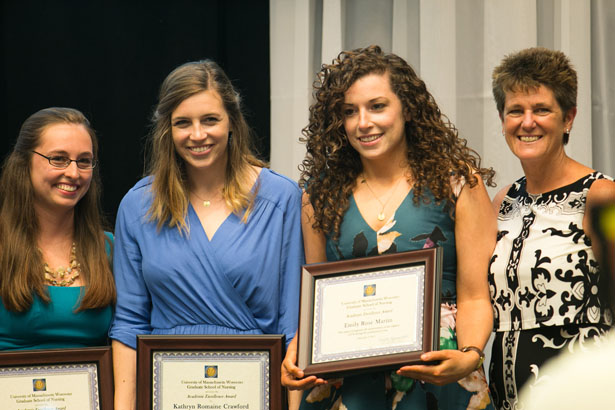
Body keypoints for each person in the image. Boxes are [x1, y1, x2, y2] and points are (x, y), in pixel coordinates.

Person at [282, 45, 497, 410]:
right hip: (347, 386)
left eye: (377, 106)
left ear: (408, 108)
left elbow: (476, 295)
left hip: (437, 376)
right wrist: (295, 355)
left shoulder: (458, 183)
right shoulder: (318, 195)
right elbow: (316, 301)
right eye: (350, 112)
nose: (363, 122)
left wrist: (471, 354)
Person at [109, 60, 304, 409]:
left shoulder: (281, 199)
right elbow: (128, 324)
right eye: (183, 123)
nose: (197, 135)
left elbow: (294, 327)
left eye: (210, 120)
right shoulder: (139, 205)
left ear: (232, 121)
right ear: (167, 129)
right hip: (168, 392)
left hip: (256, 390)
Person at [488, 47, 615, 409]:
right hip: (508, 396)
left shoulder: (603, 195)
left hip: (583, 394)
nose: (527, 122)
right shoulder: (502, 203)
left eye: (541, 109)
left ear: (568, 118)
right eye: (515, 111)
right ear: (502, 118)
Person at [0, 107, 115, 350]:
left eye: (84, 161)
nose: (73, 173)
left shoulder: (109, 249)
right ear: (24, 163)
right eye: (58, 159)